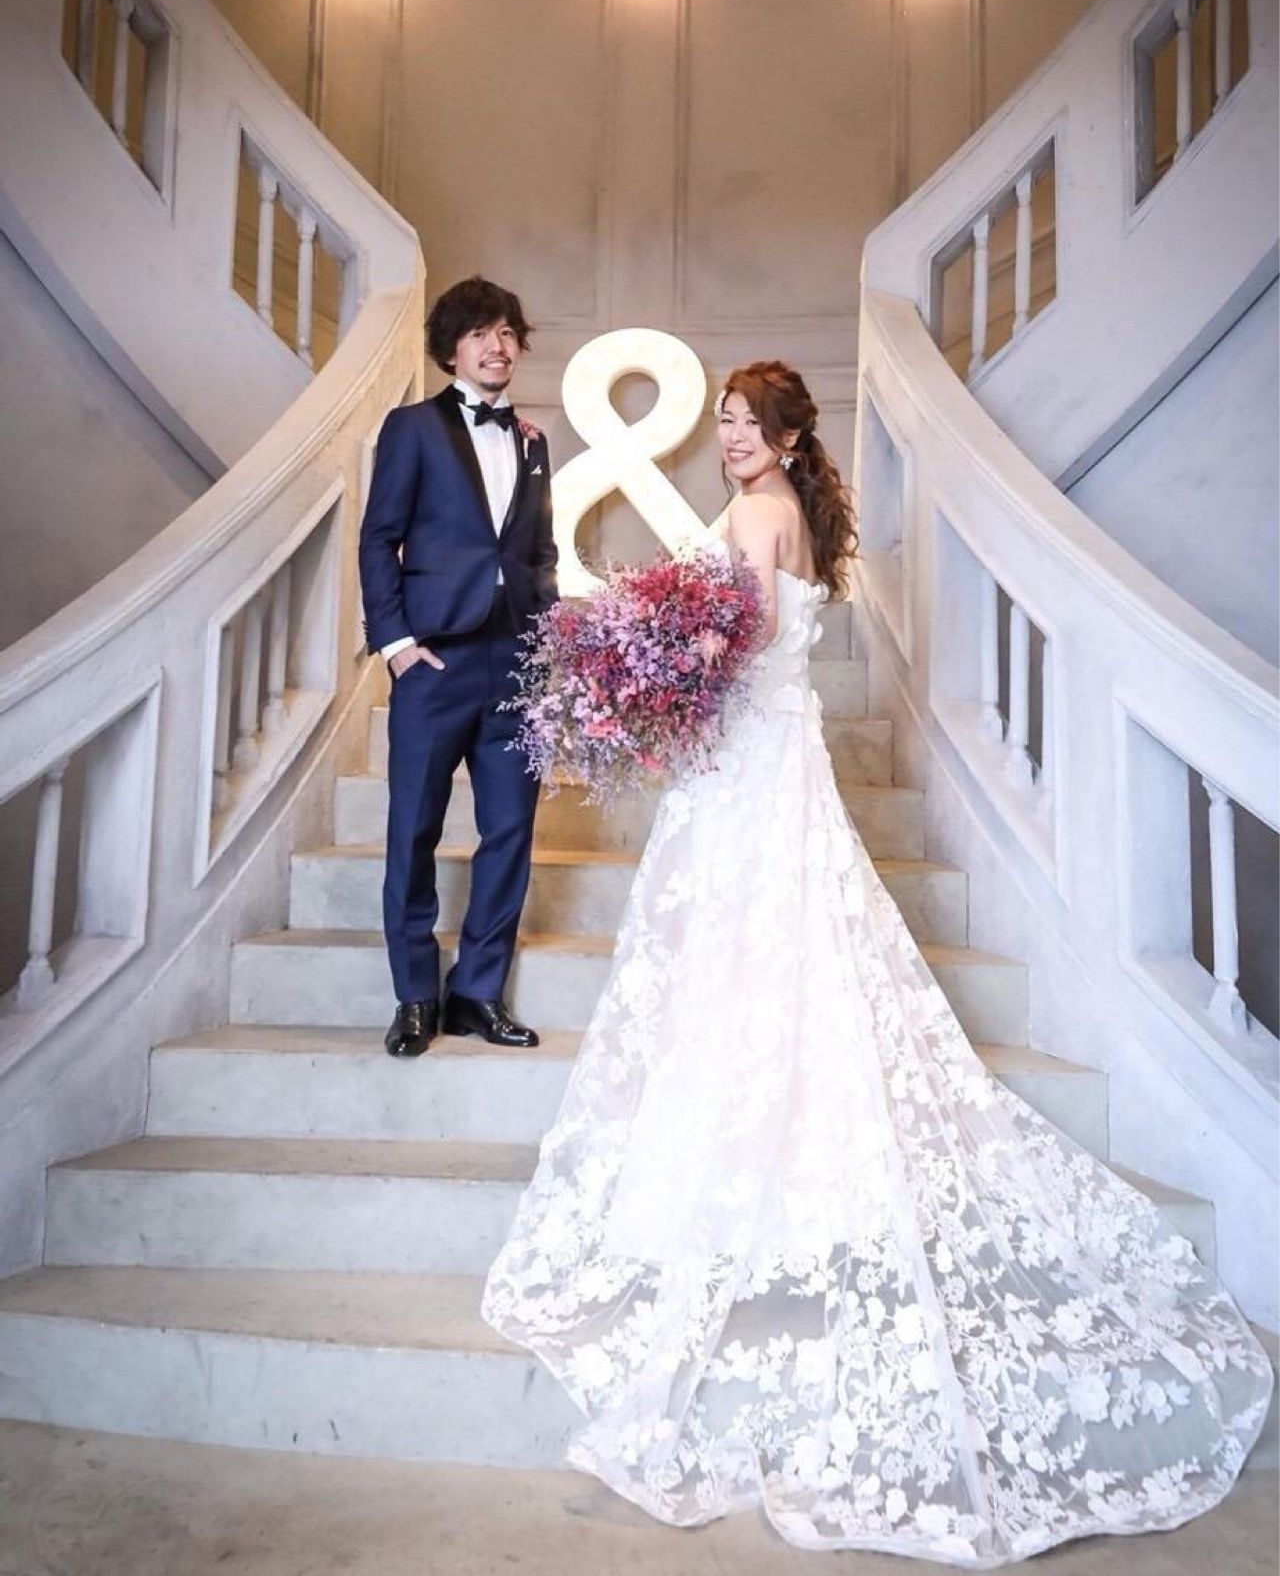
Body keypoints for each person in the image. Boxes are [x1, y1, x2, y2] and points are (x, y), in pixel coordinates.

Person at [483, 359, 1273, 1564]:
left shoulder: (758, 513)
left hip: (748, 762)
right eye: (724, 423)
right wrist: (651, 664)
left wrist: (644, 670)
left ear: (788, 438)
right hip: (768, 756)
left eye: (746, 424)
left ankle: (742, 1170)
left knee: (740, 950)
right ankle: (776, 1148)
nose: (730, 438)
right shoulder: (787, 513)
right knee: (778, 948)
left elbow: (737, 643)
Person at [358, 275, 557, 1058]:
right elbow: (379, 538)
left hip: (514, 662)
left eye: (506, 331)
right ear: (451, 347)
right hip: (435, 661)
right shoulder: (411, 428)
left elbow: (539, 550)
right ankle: (415, 995)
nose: (496, 345)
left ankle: (477, 991)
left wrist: (545, 642)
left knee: (510, 829)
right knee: (413, 826)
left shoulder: (534, 441)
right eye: (480, 332)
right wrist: (397, 645)